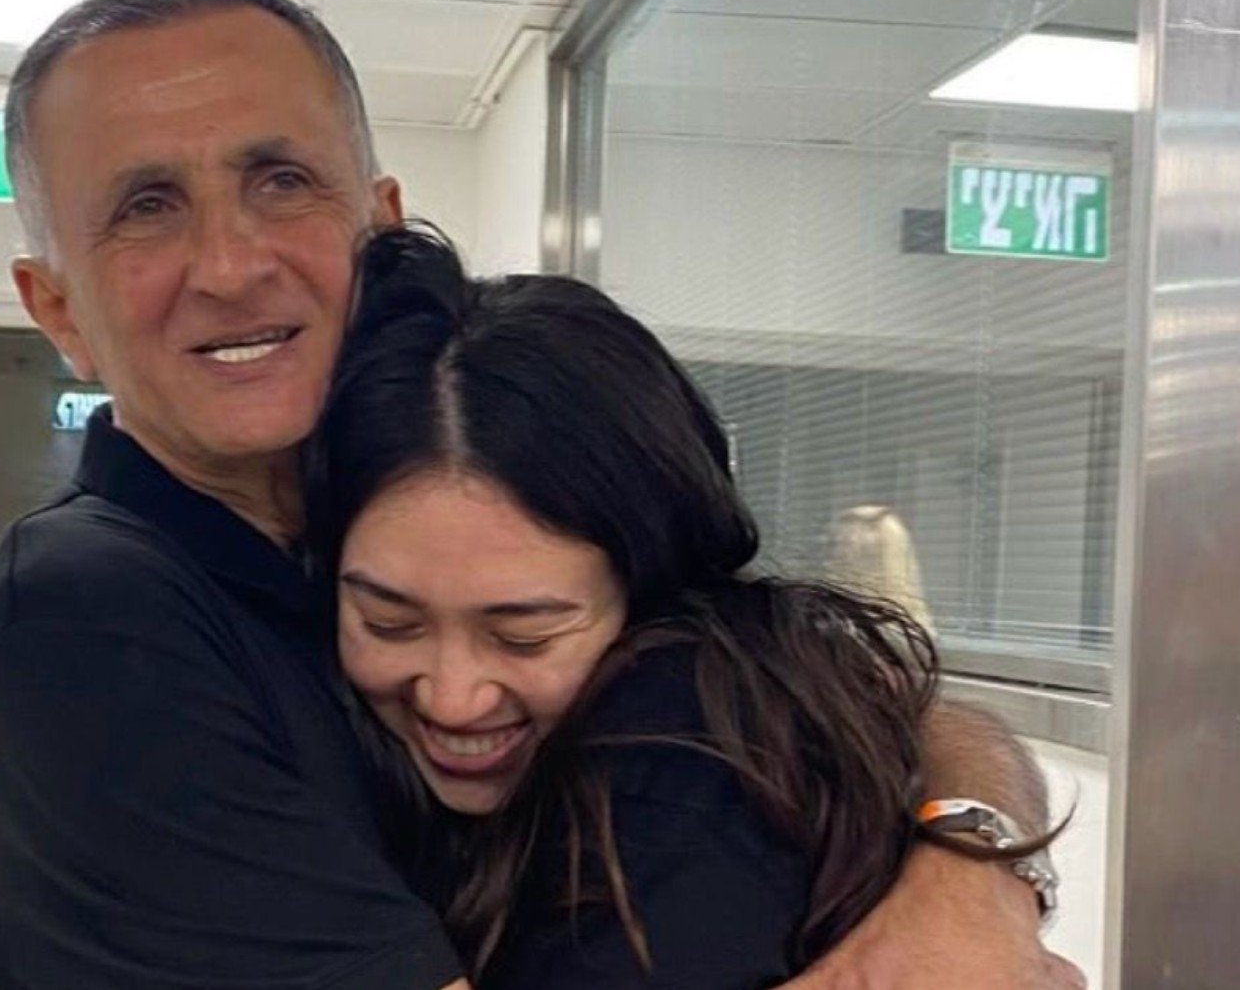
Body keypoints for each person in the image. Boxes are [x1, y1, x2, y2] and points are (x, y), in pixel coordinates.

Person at [0, 0, 1080, 987]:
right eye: (146, 207)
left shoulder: (373, 528)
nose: (232, 263)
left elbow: (892, 701)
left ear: (380, 230)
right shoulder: (88, 610)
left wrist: (966, 873)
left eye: (280, 179)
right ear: (58, 309)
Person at [303, 226, 1052, 987]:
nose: (452, 697)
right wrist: (978, 854)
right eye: (389, 621)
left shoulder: (686, 748)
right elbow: (947, 717)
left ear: (654, 578)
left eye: (524, 634)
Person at [827, 504, 935, 634]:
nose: (836, 555)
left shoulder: (902, 630)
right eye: (835, 544)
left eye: (845, 545)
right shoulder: (834, 608)